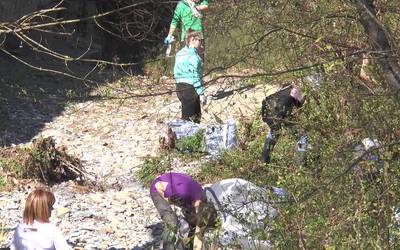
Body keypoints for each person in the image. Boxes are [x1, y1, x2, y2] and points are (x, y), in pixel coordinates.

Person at [150, 172, 216, 250]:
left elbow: (199, 227)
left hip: (184, 196)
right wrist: (168, 202)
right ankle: (169, 247)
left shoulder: (201, 197)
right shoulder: (179, 190)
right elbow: (158, 186)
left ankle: (188, 246)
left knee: (194, 224)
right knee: (172, 222)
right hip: (158, 191)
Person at [261, 84, 305, 164]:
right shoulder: (297, 92)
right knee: (302, 137)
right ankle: (298, 165)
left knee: (274, 134)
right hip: (278, 112)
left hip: (267, 111)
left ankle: (264, 161)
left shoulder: (286, 89)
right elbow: (297, 108)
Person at [174, 30, 206, 123]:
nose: (201, 43)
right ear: (192, 40)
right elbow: (195, 76)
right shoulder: (193, 56)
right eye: (199, 40)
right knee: (194, 120)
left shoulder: (180, 53)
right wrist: (201, 93)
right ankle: (189, 137)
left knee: (186, 117)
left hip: (179, 87)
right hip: (190, 88)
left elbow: (175, 72)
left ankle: (184, 136)